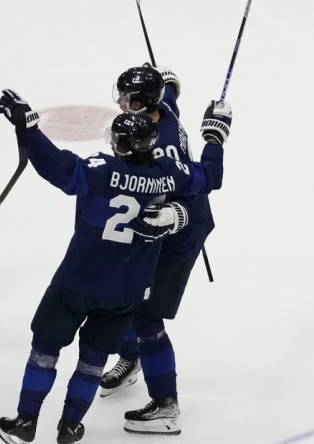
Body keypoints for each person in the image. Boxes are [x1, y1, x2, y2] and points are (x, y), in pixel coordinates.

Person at [0, 89, 231, 443]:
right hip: (126, 290)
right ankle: (70, 426)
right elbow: (210, 176)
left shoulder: (100, 171)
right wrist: (214, 137)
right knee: (92, 360)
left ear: (120, 146)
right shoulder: (169, 174)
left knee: (44, 350)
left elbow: (52, 163)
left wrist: (29, 127)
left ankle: (26, 422)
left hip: (79, 280)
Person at [98, 64, 216, 436]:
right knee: (116, 298)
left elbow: (198, 186)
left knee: (146, 315)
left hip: (177, 233)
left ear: (142, 102)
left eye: (125, 99)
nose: (119, 104)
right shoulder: (162, 111)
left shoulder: (160, 146)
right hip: (157, 228)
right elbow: (171, 99)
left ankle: (166, 405)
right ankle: (132, 356)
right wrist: (170, 84)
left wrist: (214, 140)